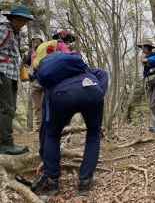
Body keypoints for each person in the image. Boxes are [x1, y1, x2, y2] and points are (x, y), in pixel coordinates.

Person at [31, 54, 108, 196]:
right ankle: (85, 181)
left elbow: (46, 127)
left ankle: (52, 182)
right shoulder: (83, 70)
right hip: (91, 89)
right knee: (93, 133)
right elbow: (103, 74)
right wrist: (98, 94)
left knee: (52, 135)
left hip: (61, 96)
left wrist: (44, 157)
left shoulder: (48, 80)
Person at [0, 5, 33, 155]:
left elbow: (14, 56)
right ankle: (6, 144)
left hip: (12, 75)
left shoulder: (16, 33)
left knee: (10, 109)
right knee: (7, 109)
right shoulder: (4, 30)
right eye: (19, 19)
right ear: (12, 18)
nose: (22, 23)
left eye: (24, 21)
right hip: (3, 73)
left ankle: (6, 141)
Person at [138, 39, 155, 134]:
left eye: (143, 47)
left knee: (154, 103)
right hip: (150, 83)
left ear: (148, 48)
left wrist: (152, 71)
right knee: (151, 104)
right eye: (142, 47)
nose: (142, 49)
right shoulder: (143, 57)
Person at [23, 33, 45, 131]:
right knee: (37, 106)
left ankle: (47, 124)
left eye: (37, 40)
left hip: (44, 80)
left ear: (41, 41)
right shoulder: (30, 52)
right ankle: (39, 126)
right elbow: (26, 63)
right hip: (34, 81)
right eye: (33, 41)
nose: (35, 42)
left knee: (45, 103)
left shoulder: (45, 50)